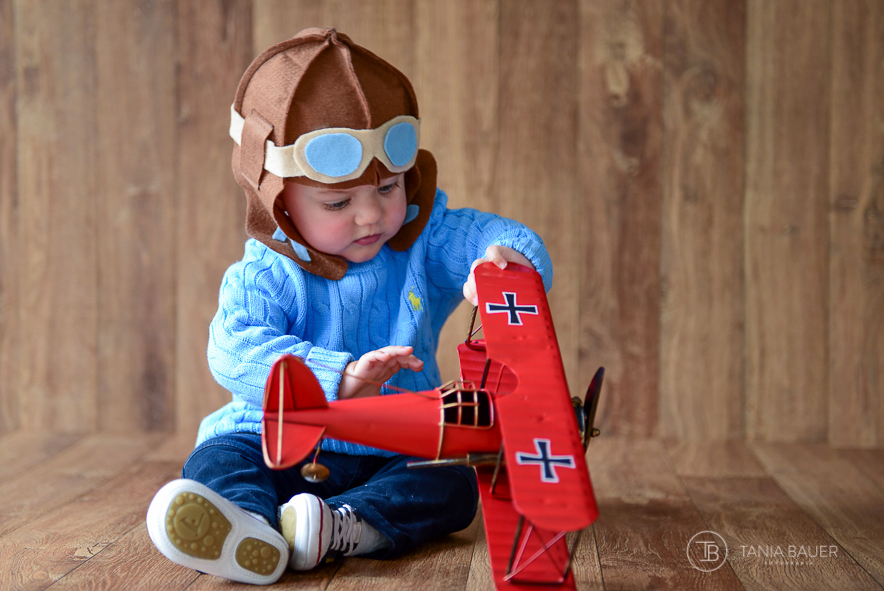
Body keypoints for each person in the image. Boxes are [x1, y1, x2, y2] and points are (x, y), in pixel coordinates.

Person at [146, 27, 553, 585]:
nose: (371, 216)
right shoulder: (266, 271)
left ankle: (340, 526)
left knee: (454, 485)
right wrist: (334, 377)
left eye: (388, 188)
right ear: (278, 198)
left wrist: (502, 267)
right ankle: (250, 528)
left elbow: (501, 237)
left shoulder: (421, 239)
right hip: (273, 442)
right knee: (217, 461)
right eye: (338, 201)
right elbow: (232, 348)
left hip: (395, 447)